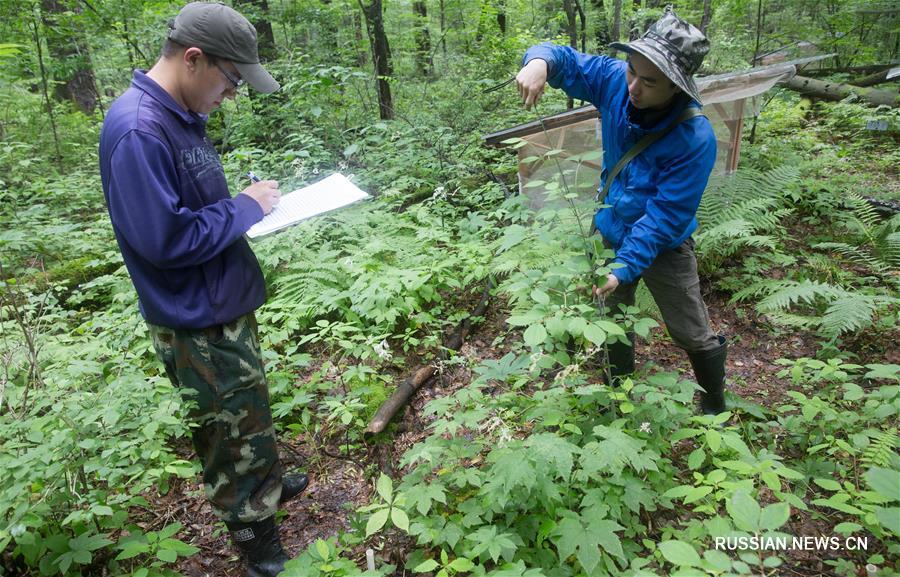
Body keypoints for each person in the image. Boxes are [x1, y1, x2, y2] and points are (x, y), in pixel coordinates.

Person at [99, 3, 308, 575]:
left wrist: (237, 203)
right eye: (231, 79)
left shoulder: (177, 115)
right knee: (224, 428)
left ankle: (263, 486)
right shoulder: (139, 130)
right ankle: (253, 534)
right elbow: (164, 241)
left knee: (248, 411)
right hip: (196, 317)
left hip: (222, 300)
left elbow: (186, 209)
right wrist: (243, 209)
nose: (232, 94)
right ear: (194, 59)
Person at [515, 6, 727, 414]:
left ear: (677, 87)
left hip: (665, 244)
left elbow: (667, 216)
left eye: (649, 81)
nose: (633, 86)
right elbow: (564, 59)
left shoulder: (694, 137)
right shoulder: (615, 81)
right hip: (612, 227)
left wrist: (624, 267)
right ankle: (618, 399)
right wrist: (539, 61)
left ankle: (714, 404)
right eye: (632, 70)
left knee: (690, 330)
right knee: (612, 321)